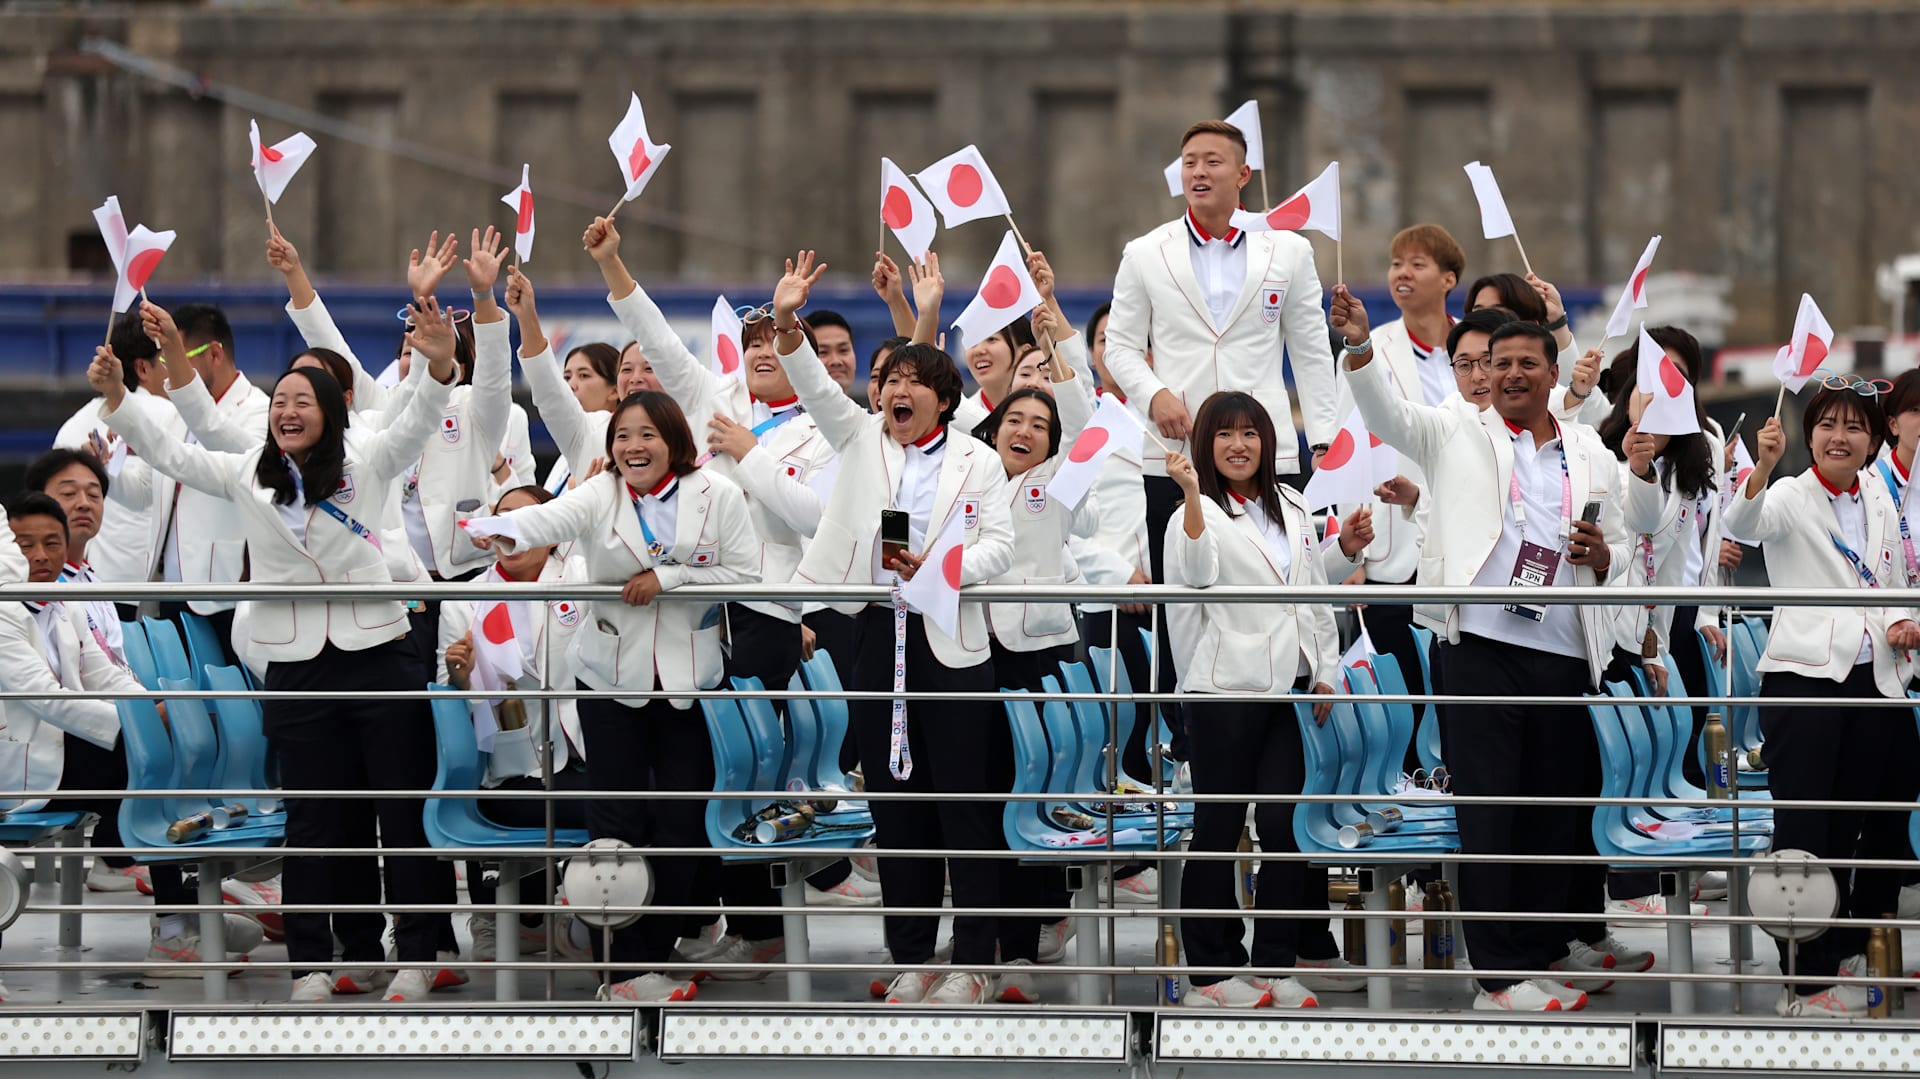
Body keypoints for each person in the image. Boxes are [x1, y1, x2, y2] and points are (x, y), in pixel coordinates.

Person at [89, 296, 462, 1004]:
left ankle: (414, 954)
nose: (287, 410)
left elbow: (417, 419)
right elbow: (173, 450)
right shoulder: (247, 471)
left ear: (330, 409)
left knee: (400, 810)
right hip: (296, 663)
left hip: (379, 650)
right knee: (314, 817)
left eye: (302, 399)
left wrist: (439, 361)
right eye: (279, 399)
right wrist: (119, 400)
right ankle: (314, 964)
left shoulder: (369, 457)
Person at [1336, 293, 1642, 1013]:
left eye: (1524, 363)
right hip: (1479, 642)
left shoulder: (1588, 449)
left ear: (1551, 371)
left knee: (1548, 807)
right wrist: (1357, 347)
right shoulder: (1456, 431)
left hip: (1565, 645)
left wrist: (1604, 555)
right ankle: (1498, 977)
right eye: (1497, 363)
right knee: (1492, 809)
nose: (1508, 373)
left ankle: (1535, 950)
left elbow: (1626, 544)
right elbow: (1387, 415)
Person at [768, 251, 1017, 1006]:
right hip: (878, 635)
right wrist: (785, 321)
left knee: (964, 806)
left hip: (952, 640)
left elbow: (1000, 549)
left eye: (912, 382)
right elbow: (813, 382)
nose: (895, 391)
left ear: (943, 398)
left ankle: (974, 959)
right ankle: (912, 953)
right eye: (889, 382)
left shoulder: (978, 461)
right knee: (896, 807)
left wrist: (937, 568)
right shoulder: (859, 440)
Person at [467, 390, 760, 1003]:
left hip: (689, 687)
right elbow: (547, 521)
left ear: (674, 440)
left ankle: (654, 954)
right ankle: (621, 970)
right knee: (616, 827)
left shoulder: (719, 495)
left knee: (681, 825)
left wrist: (669, 579)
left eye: (647, 435)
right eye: (623, 436)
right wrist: (495, 527)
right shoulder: (601, 493)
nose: (633, 447)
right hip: (608, 683)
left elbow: (747, 574)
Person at [0, 492, 267, 978]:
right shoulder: (2, 612)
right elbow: (44, 697)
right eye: (24, 544)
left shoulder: (65, 605)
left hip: (66, 749)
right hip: (23, 763)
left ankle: (184, 915)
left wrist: (147, 708)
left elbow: (105, 674)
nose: (39, 555)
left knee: (163, 755)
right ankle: (176, 927)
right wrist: (136, 726)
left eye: (51, 543)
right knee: (142, 766)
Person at [1729, 388, 1920, 1017]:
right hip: (1806, 679)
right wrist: (1762, 466)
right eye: (1828, 425)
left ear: (1874, 438)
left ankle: (1855, 944)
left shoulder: (1877, 496)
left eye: (1854, 428)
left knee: (1884, 819)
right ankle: (1802, 979)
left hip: (1879, 679)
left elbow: (1891, 581)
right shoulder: (1788, 494)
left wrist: (1900, 621)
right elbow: (1741, 525)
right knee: (1811, 831)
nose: (1841, 437)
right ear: (1809, 434)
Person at [1159, 393, 1349, 1009]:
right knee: (1216, 828)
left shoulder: (1293, 504)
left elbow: (1314, 591)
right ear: (1204, 446)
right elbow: (1192, 572)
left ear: (1268, 442)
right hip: (1222, 692)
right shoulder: (1195, 513)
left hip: (1291, 692)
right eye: (1223, 435)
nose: (1238, 445)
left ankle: (1272, 963)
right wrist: (1189, 495)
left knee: (1283, 828)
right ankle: (1211, 974)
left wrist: (1324, 670)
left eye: (1250, 433)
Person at [1102, 118, 1339, 597]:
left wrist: (1325, 439)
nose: (1199, 172)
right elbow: (1120, 347)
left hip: (1265, 448)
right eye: (1190, 163)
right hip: (1178, 446)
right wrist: (1155, 396)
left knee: (1274, 587)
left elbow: (1312, 351)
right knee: (1181, 596)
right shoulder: (1145, 252)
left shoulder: (1290, 250)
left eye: (1213, 161)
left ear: (1243, 174)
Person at [436, 484, 591, 963]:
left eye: (528, 519)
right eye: (502, 519)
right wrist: (460, 679)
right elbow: (452, 701)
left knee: (643, 800)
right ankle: (509, 919)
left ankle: (589, 925)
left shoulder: (585, 578)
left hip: (586, 755)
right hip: (511, 770)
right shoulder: (463, 602)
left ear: (553, 532)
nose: (514, 531)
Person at [1334, 225, 1466, 727]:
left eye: (1417, 263)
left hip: (1459, 539)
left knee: (1457, 687)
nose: (1402, 274)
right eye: (1395, 264)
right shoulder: (1368, 347)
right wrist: (1352, 550)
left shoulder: (1477, 348)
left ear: (1449, 277)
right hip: (1390, 544)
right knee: (1402, 694)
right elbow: (1345, 445)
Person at [52, 319, 181, 597]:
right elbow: (147, 494)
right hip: (134, 584)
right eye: (165, 364)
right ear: (143, 368)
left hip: (75, 578)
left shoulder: (70, 426)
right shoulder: (166, 414)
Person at [807, 309, 862, 399]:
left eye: (843, 350)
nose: (836, 361)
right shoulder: (789, 413)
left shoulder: (864, 413)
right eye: (823, 352)